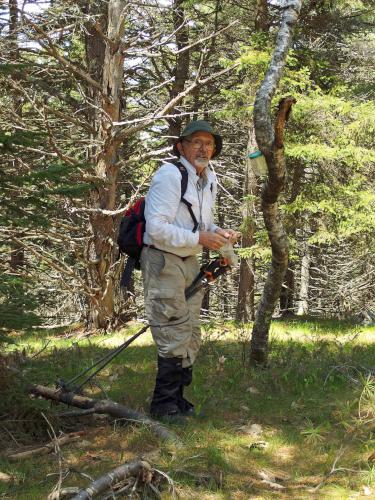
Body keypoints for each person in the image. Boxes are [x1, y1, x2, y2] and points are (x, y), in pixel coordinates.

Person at [141, 120, 238, 420]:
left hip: (189, 260)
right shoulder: (169, 175)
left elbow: (200, 224)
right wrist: (200, 239)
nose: (203, 148)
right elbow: (156, 229)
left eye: (209, 143)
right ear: (181, 146)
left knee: (191, 330)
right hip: (162, 258)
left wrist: (219, 234)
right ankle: (163, 406)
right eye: (196, 141)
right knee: (172, 327)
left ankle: (179, 401)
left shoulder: (208, 178)